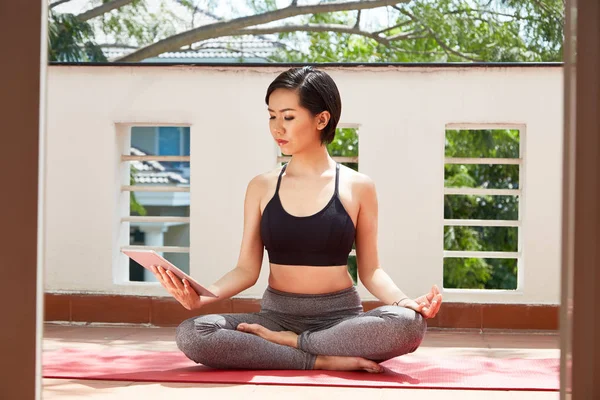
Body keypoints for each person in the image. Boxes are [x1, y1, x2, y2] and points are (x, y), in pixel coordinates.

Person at [150, 66, 442, 373]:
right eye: (272, 116)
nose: (277, 127)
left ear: (321, 119)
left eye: (288, 116)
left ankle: (294, 344)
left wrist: (404, 302)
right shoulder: (261, 186)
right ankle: (318, 357)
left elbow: (371, 271)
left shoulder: (358, 186)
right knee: (194, 333)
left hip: (339, 320)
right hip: (276, 317)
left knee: (408, 324)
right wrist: (202, 297)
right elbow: (247, 270)